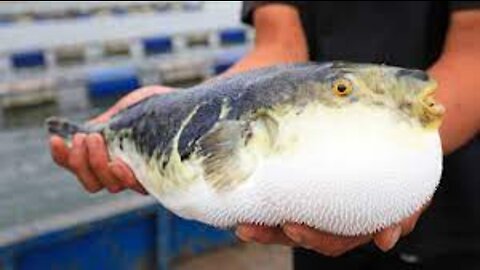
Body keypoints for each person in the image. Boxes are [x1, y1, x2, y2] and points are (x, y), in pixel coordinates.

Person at [49, 1, 480, 269]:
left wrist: (397, 169)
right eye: (343, 90)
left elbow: (474, 51)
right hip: (309, 209)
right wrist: (183, 104)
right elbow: (279, 50)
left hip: (461, 221)